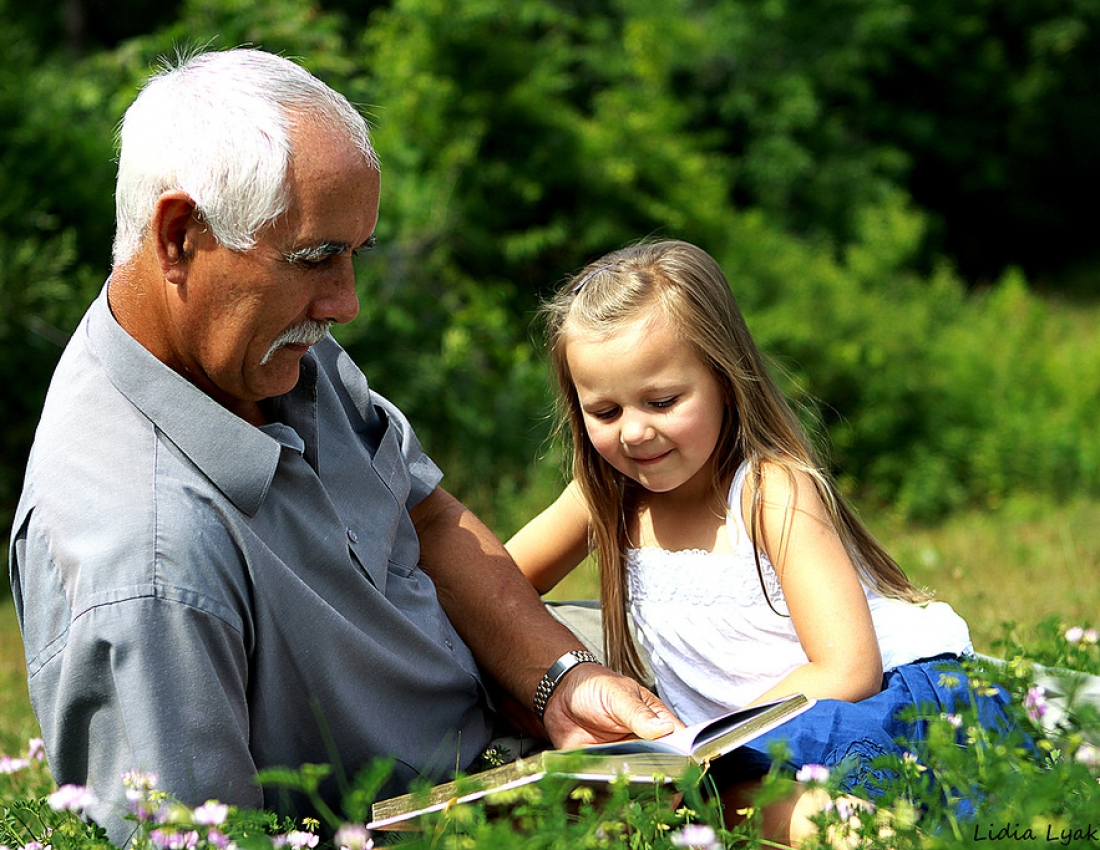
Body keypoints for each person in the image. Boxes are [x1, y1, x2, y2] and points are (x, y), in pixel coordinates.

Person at [6, 49, 679, 845]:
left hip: (514, 714)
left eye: (354, 252)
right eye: (318, 258)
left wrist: (559, 681)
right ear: (180, 236)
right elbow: (195, 837)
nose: (347, 302)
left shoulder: (254, 346)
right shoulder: (146, 562)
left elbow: (425, 518)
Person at [506, 239, 1017, 843]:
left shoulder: (770, 491)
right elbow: (495, 588)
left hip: (873, 705)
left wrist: (709, 743)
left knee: (772, 802)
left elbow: (849, 668)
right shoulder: (606, 498)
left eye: (663, 401)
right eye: (605, 412)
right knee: (699, 803)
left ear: (723, 377)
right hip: (731, 751)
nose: (636, 432)